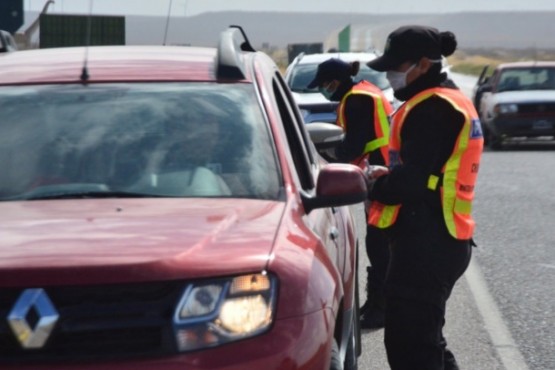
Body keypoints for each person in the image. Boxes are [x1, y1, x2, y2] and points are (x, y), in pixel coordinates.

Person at [366, 25, 484, 370]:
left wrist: (373, 185)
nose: (391, 74)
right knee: (424, 344)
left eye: (397, 66)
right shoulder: (443, 99)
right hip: (438, 236)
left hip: (428, 240)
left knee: (411, 349)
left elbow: (414, 182)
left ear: (422, 64)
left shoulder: (434, 108)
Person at [306, 58, 393, 329]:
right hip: (381, 170)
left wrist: (321, 158)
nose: (322, 90)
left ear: (334, 82)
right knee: (380, 242)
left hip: (379, 174)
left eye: (323, 85)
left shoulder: (357, 100)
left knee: (379, 245)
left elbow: (352, 146)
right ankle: (377, 303)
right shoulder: (363, 91)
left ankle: (382, 309)